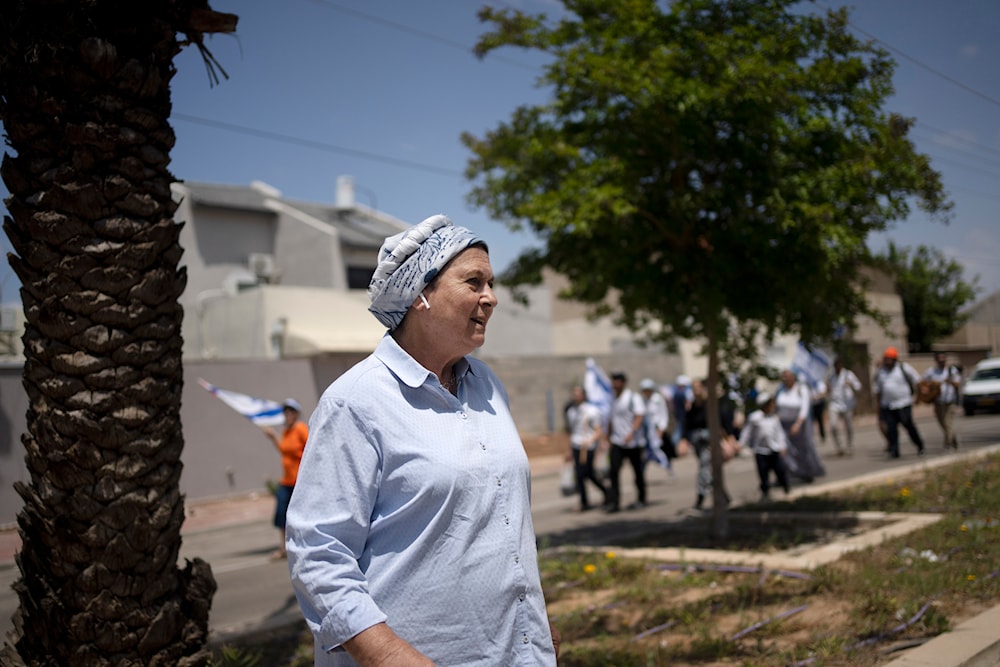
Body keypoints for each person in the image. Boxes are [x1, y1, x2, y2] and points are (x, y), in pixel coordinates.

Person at [285, 215, 558, 666]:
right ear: (420, 295)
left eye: (491, 283)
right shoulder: (356, 401)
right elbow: (318, 552)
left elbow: (505, 523)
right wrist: (387, 655)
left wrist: (535, 626)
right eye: (474, 282)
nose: (491, 298)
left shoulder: (488, 385)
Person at [262, 398, 308, 560]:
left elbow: (311, 448)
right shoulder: (286, 432)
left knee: (301, 515)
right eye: (285, 411)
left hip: (299, 482)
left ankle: (305, 546)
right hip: (287, 481)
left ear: (296, 414)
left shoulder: (300, 429)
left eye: (290, 411)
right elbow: (284, 450)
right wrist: (273, 437)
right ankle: (284, 549)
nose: (287, 414)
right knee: (282, 514)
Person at [605, 371, 647, 513]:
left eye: (617, 381)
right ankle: (615, 503)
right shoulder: (612, 399)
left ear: (623, 383)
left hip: (633, 442)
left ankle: (641, 498)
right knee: (614, 472)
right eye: (613, 381)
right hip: (617, 441)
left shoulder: (633, 398)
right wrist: (608, 437)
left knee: (637, 471)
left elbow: (639, 416)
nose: (615, 384)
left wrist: (632, 432)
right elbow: (611, 420)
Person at [872, 346, 925, 459]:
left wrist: (918, 397)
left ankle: (919, 445)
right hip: (887, 405)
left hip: (903, 404)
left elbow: (917, 381)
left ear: (895, 359)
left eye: (889, 359)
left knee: (908, 425)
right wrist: (878, 406)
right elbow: (877, 390)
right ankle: (894, 451)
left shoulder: (903, 368)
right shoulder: (880, 372)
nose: (887, 361)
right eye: (886, 359)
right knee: (891, 429)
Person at [775, 369, 825, 482]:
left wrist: (797, 424)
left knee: (804, 449)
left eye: (787, 377)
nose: (785, 379)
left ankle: (808, 472)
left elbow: (804, 408)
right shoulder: (781, 390)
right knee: (786, 449)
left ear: (793, 377)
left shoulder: (801, 389)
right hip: (784, 424)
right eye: (783, 377)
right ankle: (793, 472)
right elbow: (776, 406)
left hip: (800, 425)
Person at [739, 391, 791, 502]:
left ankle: (786, 487)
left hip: (774, 449)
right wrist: (741, 444)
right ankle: (765, 492)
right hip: (761, 451)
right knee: (763, 473)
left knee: (780, 470)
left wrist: (783, 446)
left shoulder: (774, 418)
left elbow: (780, 433)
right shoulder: (755, 418)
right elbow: (747, 432)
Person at [566, 385, 609, 511]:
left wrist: (590, 441)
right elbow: (571, 431)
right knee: (579, 474)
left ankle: (606, 491)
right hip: (576, 445)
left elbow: (598, 430)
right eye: (574, 393)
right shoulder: (571, 411)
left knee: (589, 473)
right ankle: (584, 502)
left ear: (584, 395)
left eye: (578, 393)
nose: (576, 396)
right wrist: (569, 449)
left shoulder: (591, 411)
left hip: (588, 446)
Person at [921, 351, 962, 450]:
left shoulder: (952, 371)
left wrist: (951, 381)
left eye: (943, 360)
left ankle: (948, 444)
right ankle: (952, 438)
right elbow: (922, 382)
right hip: (938, 401)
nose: (941, 362)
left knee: (947, 422)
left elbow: (957, 384)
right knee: (942, 423)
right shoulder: (931, 372)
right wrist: (925, 389)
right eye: (939, 360)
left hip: (949, 401)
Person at [826, 357, 863, 457]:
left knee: (849, 426)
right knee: (833, 426)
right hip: (834, 404)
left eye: (839, 366)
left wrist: (851, 384)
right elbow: (828, 390)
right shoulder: (831, 376)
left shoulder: (848, 374)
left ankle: (849, 446)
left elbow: (859, 386)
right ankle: (838, 447)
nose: (837, 368)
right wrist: (827, 389)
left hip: (847, 404)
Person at [639, 377, 673, 474]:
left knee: (656, 450)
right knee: (646, 453)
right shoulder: (642, 401)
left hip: (656, 430)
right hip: (646, 431)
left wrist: (661, 429)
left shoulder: (657, 399)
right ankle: (641, 473)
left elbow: (663, 415)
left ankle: (667, 466)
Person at [667, 374, 693, 449]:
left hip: (678, 415)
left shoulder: (675, 392)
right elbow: (688, 405)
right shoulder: (683, 393)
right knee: (679, 432)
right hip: (682, 416)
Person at [810, 378, 828, 444]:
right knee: (811, 422)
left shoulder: (820, 383)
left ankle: (822, 436)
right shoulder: (809, 383)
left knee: (820, 422)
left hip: (819, 405)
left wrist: (818, 396)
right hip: (812, 405)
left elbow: (824, 393)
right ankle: (811, 438)